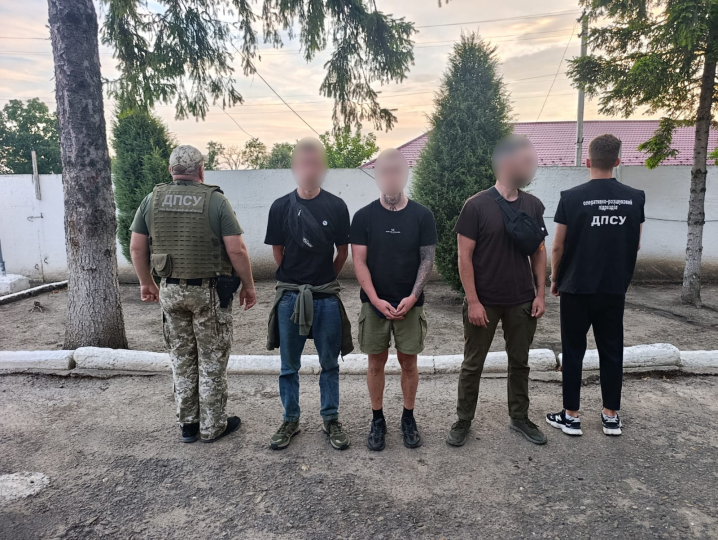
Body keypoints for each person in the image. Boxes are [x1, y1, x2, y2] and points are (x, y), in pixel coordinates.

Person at [129, 144, 257, 444]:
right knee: (211, 360)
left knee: (181, 358)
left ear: (171, 170)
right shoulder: (215, 200)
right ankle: (213, 426)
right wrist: (249, 286)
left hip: (170, 291)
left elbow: (136, 247)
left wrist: (146, 282)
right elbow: (236, 250)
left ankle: (188, 425)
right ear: (201, 170)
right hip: (208, 293)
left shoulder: (152, 200)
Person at [446, 135, 549, 447]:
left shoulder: (533, 205)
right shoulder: (476, 206)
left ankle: (520, 417)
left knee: (520, 362)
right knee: (472, 364)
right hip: (485, 302)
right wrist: (473, 301)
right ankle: (463, 420)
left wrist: (540, 294)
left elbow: (539, 251)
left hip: (522, 301)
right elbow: (464, 257)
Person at [546, 134, 645, 437]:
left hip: (576, 287)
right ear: (617, 161)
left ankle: (571, 416)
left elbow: (558, 246)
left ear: (587, 162)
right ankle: (610, 416)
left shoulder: (571, 197)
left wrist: (555, 278)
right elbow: (636, 244)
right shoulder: (635, 197)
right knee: (612, 350)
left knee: (573, 350)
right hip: (613, 287)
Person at [265, 137, 353, 451]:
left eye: (315, 164)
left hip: (326, 298)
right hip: (290, 297)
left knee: (330, 364)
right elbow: (278, 251)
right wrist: (295, 279)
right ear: (295, 168)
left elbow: (343, 251)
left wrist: (324, 279)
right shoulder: (280, 207)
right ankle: (290, 419)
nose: (309, 169)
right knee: (289, 366)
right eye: (304, 164)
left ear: (323, 168)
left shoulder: (337, 206)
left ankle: (331, 418)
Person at [350, 149, 437, 451]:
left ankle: (408, 417)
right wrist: (375, 300)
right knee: (376, 364)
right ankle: (378, 420)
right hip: (373, 304)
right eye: (384, 171)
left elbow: (427, 260)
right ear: (377, 176)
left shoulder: (422, 216)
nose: (390, 177)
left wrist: (413, 297)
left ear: (405, 174)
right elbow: (359, 261)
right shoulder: (363, 217)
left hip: (410, 304)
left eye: (396, 171)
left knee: (408, 363)